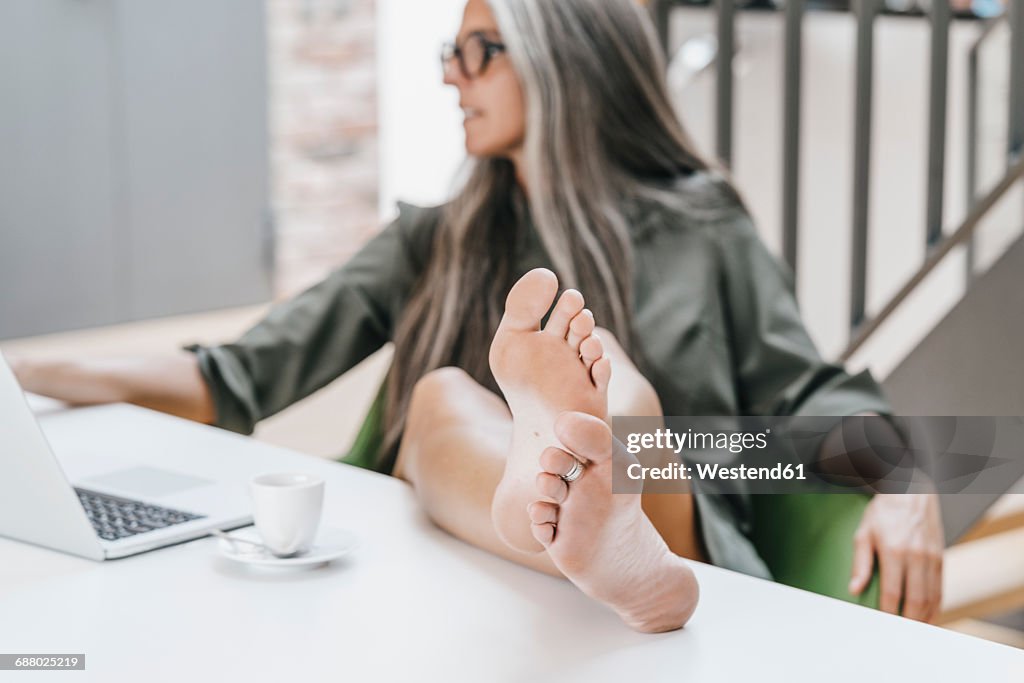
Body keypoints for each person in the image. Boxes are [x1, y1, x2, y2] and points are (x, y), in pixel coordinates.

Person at [8, 0, 943, 631]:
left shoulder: (701, 225)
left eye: (479, 49)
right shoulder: (437, 236)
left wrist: (906, 472)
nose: (454, 75)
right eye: (448, 52)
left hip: (676, 523)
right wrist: (25, 368)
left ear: (563, 55)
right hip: (496, 572)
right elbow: (239, 374)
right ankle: (554, 513)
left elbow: (813, 388)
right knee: (446, 399)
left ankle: (601, 506)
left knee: (616, 387)